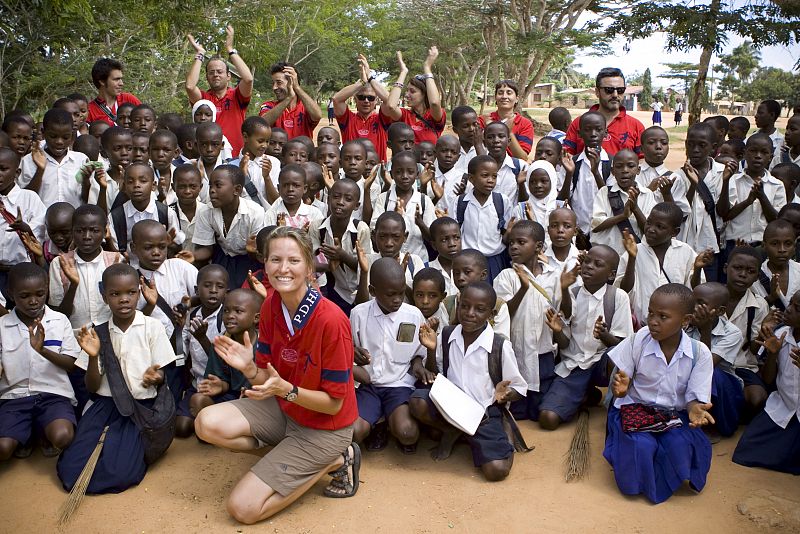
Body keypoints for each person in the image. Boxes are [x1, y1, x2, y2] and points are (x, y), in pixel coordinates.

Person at [194, 226, 360, 524]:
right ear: (265, 264)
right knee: (206, 424)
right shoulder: (271, 305)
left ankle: (333, 460)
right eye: (275, 260)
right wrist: (249, 370)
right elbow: (266, 380)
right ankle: (295, 458)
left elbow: (334, 404)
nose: (283, 269)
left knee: (243, 509)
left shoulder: (332, 321)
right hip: (286, 409)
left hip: (325, 428)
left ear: (310, 267)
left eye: (293, 261)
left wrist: (286, 390)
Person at [58, 263, 177, 494]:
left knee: (121, 473)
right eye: (115, 294)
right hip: (105, 407)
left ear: (139, 293)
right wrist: (93, 357)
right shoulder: (97, 333)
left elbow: (163, 373)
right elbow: (91, 387)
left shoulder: (151, 327)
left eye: (131, 293)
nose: (124, 299)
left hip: (140, 409)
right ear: (104, 297)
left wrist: (157, 377)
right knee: (72, 468)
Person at [604, 283, 714, 504]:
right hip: (635, 408)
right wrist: (622, 388)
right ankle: (639, 482)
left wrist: (694, 408)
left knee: (679, 444)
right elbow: (621, 381)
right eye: (651, 313)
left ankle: (665, 472)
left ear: (685, 320)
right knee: (640, 446)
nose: (653, 321)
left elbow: (694, 396)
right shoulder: (638, 340)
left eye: (663, 316)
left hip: (674, 414)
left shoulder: (699, 352)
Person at [412, 281, 527, 481]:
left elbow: (519, 388)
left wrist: (505, 395)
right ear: (458, 305)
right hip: (451, 404)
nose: (470, 313)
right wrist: (431, 349)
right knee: (417, 401)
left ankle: (497, 439)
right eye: (464, 306)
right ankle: (452, 430)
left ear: (490, 315)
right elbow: (434, 372)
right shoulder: (447, 335)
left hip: (483, 411)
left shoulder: (499, 346)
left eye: (479, 309)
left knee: (496, 471)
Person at [541, 245, 632, 430]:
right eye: (587, 261)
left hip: (602, 365)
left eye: (597, 264)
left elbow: (623, 345)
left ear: (611, 275)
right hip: (574, 364)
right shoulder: (571, 294)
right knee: (547, 418)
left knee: (616, 357)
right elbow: (565, 343)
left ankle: (616, 408)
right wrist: (558, 331)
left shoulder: (617, 297)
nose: (589, 266)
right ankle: (585, 393)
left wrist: (604, 336)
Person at [0, 263, 80, 461]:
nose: (33, 301)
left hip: (53, 395)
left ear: (47, 290)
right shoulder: (2, 326)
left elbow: (71, 364)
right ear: (11, 294)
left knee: (63, 436)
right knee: (3, 448)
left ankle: (39, 431)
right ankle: (27, 435)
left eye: (40, 294)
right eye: (25, 296)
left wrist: (42, 350)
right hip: (14, 397)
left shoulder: (60, 321)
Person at [350, 258, 427, 452]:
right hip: (369, 385)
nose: (398, 300)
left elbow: (419, 352)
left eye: (401, 293)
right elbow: (347, 347)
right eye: (391, 294)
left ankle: (388, 422)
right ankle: (379, 422)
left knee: (408, 434)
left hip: (399, 385)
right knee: (355, 432)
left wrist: (418, 364)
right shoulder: (359, 314)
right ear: (373, 291)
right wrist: (352, 351)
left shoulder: (413, 315)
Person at [493, 221, 561, 421]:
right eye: (511, 242)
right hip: (517, 352)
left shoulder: (553, 276)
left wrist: (565, 290)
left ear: (538, 247)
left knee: (539, 411)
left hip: (543, 352)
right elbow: (502, 313)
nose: (513, 247)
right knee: (516, 410)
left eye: (521, 242)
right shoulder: (506, 276)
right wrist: (523, 289)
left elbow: (563, 314)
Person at [732, 291, 800, 475]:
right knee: (745, 452)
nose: (789, 310)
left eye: (797, 308)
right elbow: (768, 380)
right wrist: (773, 354)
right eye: (791, 304)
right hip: (783, 406)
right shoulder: (781, 333)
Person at [186, 288, 262, 438]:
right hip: (233, 398)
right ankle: (218, 432)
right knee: (198, 400)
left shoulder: (265, 345)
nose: (230, 316)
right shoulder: (221, 344)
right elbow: (225, 380)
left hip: (259, 401)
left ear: (256, 318)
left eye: (238, 311)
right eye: (226, 311)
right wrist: (221, 385)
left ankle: (237, 431)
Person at [618, 202, 710, 323]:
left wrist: (697, 269)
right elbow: (623, 291)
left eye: (660, 227)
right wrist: (632, 258)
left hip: (676, 325)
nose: (651, 229)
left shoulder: (685, 251)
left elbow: (695, 290)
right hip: (641, 324)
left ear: (675, 232)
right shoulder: (634, 250)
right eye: (648, 222)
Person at [686, 282, 743, 439]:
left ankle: (712, 424)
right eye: (692, 301)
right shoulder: (685, 323)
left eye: (701, 303)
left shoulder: (732, 333)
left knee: (712, 375)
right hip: (689, 377)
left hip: (722, 386)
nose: (694, 307)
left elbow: (706, 366)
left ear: (720, 311)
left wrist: (705, 328)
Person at [192, 165, 266, 288]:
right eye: (210, 185)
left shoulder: (255, 213)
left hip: (248, 259)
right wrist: (193, 256)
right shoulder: (205, 211)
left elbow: (258, 254)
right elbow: (207, 249)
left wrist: (251, 251)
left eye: (218, 185)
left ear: (237, 190)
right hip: (223, 256)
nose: (212, 190)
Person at [186, 25, 253, 157]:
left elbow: (248, 79)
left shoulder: (237, 95)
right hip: (207, 156)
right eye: (211, 72)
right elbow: (189, 86)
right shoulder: (203, 99)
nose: (215, 75)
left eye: (220, 72)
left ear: (228, 76)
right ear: (206, 77)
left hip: (235, 157)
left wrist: (230, 50)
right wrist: (200, 54)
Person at [454, 155, 515, 282]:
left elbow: (505, 234)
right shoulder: (461, 202)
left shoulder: (502, 201)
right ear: (471, 178)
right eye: (485, 175)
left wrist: (509, 233)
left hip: (494, 260)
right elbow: (455, 233)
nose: (490, 180)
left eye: (494, 176)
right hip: (467, 262)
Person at [564, 68, 645, 157]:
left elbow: (642, 160)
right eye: (609, 90)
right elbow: (567, 155)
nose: (615, 95)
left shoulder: (636, 126)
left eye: (620, 90)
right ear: (597, 92)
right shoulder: (579, 123)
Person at [0, 147, 46, 300]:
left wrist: (26, 228)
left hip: (23, 272)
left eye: (3, 169)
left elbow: (41, 231)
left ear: (17, 173)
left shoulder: (29, 198)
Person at [19, 108, 88, 209]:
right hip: (40, 223)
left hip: (74, 222)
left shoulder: (81, 160)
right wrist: (40, 170)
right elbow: (25, 199)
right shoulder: (28, 161)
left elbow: (87, 199)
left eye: (65, 137)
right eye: (53, 136)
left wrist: (87, 181)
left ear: (72, 133)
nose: (59, 141)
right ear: (43, 132)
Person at [591, 148, 656, 251]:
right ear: (612, 171)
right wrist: (623, 216)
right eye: (619, 166)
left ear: (638, 170)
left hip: (637, 254)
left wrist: (635, 208)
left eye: (630, 166)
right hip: (607, 254)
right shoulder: (604, 192)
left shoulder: (647, 194)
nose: (625, 170)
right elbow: (596, 225)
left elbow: (649, 229)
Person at [380, 48, 446, 144]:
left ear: (424, 94)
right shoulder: (405, 115)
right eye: (407, 91)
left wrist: (427, 67)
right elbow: (391, 105)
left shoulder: (433, 116)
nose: (407, 95)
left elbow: (435, 103)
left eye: (412, 91)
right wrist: (403, 72)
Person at [333, 55, 390, 162]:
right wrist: (362, 82)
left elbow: (390, 101)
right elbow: (336, 99)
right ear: (355, 99)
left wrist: (370, 77)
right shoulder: (348, 119)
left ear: (376, 100)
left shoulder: (382, 120)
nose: (366, 101)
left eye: (371, 98)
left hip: (377, 173)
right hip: (352, 173)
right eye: (362, 97)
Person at [259, 62, 322, 140]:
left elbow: (317, 115)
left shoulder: (305, 107)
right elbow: (261, 124)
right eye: (273, 83)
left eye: (279, 82)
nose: (274, 87)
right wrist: (289, 98)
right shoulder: (269, 106)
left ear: (292, 82)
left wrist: (297, 87)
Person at [478, 80, 534, 159]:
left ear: (517, 99)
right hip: (486, 166)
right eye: (500, 93)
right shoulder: (482, 120)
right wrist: (489, 128)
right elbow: (474, 148)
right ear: (495, 97)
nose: (504, 96)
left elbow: (522, 157)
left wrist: (509, 132)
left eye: (509, 93)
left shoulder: (525, 124)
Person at [87, 58, 141, 126]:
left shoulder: (129, 99)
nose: (121, 83)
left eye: (121, 79)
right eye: (116, 79)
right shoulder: (90, 110)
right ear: (102, 81)